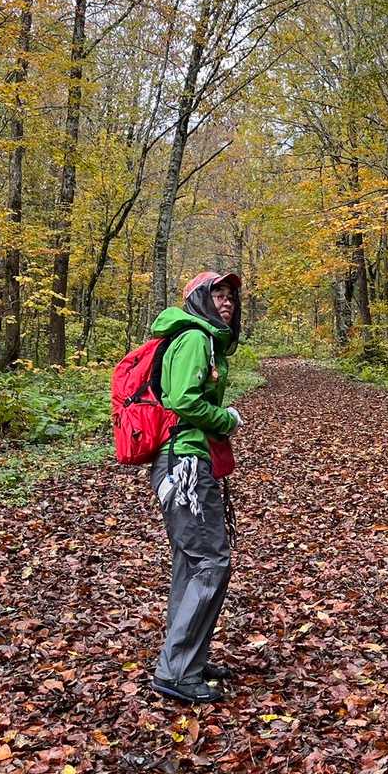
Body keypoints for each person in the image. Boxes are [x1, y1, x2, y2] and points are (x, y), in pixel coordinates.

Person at [149, 271, 245, 704]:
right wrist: (226, 419)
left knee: (192, 562)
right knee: (210, 561)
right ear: (197, 300)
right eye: (216, 294)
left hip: (185, 459)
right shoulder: (193, 338)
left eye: (230, 296)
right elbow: (182, 399)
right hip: (185, 462)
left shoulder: (203, 339)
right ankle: (177, 670)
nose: (226, 302)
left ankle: (187, 657)